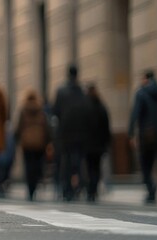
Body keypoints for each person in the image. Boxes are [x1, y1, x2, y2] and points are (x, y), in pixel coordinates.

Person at [128, 70, 157, 204]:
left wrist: (131, 132)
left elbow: (135, 113)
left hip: (146, 136)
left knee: (145, 165)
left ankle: (151, 191)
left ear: (145, 79)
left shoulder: (141, 93)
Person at [52, 64, 91, 202]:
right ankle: (78, 187)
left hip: (65, 133)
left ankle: (67, 189)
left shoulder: (61, 91)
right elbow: (87, 112)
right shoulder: (81, 92)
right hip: (80, 133)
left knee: (66, 161)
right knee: (79, 161)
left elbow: (55, 111)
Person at [14, 90, 50, 201]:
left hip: (27, 143)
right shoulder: (41, 110)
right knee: (37, 166)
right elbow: (46, 126)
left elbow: (19, 127)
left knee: (28, 166)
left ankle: (30, 189)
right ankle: (36, 184)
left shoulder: (23, 110)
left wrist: (16, 138)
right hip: (40, 143)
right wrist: (48, 140)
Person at [84, 83, 111, 203]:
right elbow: (106, 126)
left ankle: (90, 190)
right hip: (99, 144)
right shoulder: (101, 106)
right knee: (96, 167)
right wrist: (107, 142)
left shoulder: (85, 107)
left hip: (87, 144)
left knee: (89, 168)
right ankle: (94, 189)